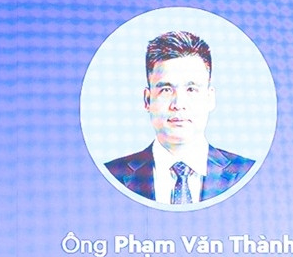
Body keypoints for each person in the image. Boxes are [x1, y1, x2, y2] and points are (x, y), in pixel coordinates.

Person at [105, 31, 254, 205]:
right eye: (166, 90)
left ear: (210, 98)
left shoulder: (247, 172)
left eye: (191, 89)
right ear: (147, 100)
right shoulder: (112, 175)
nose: (178, 104)